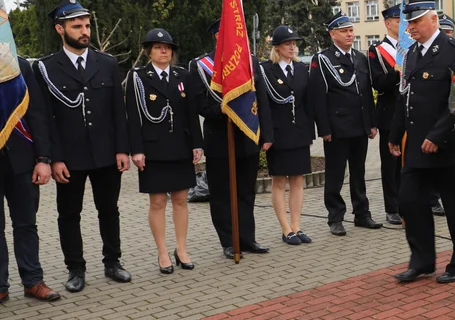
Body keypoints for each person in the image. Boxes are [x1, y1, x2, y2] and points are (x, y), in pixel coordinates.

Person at [35, 0, 131, 292]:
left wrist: (121, 149)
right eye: (77, 26)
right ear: (60, 29)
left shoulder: (107, 63)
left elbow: (118, 111)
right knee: (68, 214)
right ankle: (75, 268)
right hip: (69, 158)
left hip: (105, 153)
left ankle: (113, 262)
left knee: (109, 210)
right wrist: (53, 158)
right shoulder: (46, 68)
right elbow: (44, 118)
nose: (84, 30)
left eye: (87, 25)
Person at [389, 0, 455, 284]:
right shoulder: (411, 53)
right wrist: (395, 133)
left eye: (415, 21)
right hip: (415, 145)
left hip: (447, 145)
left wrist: (438, 134)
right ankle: (422, 261)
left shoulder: (454, 50)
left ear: (433, 19)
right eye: (408, 22)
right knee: (409, 202)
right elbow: (404, 97)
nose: (410, 28)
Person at [189, 20, 274, 259]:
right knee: (222, 194)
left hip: (247, 137)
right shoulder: (201, 66)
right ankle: (228, 240)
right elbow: (199, 103)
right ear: (217, 36)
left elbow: (262, 99)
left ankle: (247, 238)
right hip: (219, 138)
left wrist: (267, 134)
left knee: (246, 192)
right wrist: (223, 110)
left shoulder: (250, 61)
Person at [126, 29, 203, 274]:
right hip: (153, 149)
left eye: (168, 47)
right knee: (158, 201)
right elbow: (133, 117)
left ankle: (181, 249)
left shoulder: (183, 75)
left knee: (181, 199)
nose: (164, 51)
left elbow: (192, 113)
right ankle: (162, 252)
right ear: (149, 51)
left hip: (180, 145)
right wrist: (136, 150)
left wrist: (197, 143)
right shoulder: (138, 76)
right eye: (159, 47)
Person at [0, 56, 62, 304]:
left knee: (26, 224)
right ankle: (1, 286)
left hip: (22, 159)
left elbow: (37, 113)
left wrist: (43, 159)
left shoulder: (20, 65)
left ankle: (33, 281)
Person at [310, 14, 380, 235]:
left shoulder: (359, 58)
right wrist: (324, 129)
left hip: (359, 126)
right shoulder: (323, 59)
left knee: (359, 173)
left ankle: (362, 214)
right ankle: (335, 217)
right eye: (344, 31)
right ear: (333, 34)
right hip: (337, 127)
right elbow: (318, 97)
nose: (350, 34)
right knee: (335, 174)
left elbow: (366, 94)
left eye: (351, 30)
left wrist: (371, 123)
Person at [261, 25, 315, 245]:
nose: (292, 47)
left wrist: (310, 131)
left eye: (294, 43)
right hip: (278, 133)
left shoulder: (301, 69)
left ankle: (296, 225)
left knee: (298, 180)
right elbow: (264, 106)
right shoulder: (265, 70)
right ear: (277, 48)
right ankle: (285, 229)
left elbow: (307, 103)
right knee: (279, 180)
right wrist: (267, 136)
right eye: (287, 44)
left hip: (299, 132)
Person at [368, 6, 404, 226]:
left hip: (410, 112)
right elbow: (377, 83)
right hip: (389, 112)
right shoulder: (378, 50)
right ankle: (392, 208)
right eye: (398, 20)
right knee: (390, 163)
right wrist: (396, 72)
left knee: (408, 162)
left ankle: (410, 203)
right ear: (388, 23)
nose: (403, 24)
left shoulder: (412, 47)